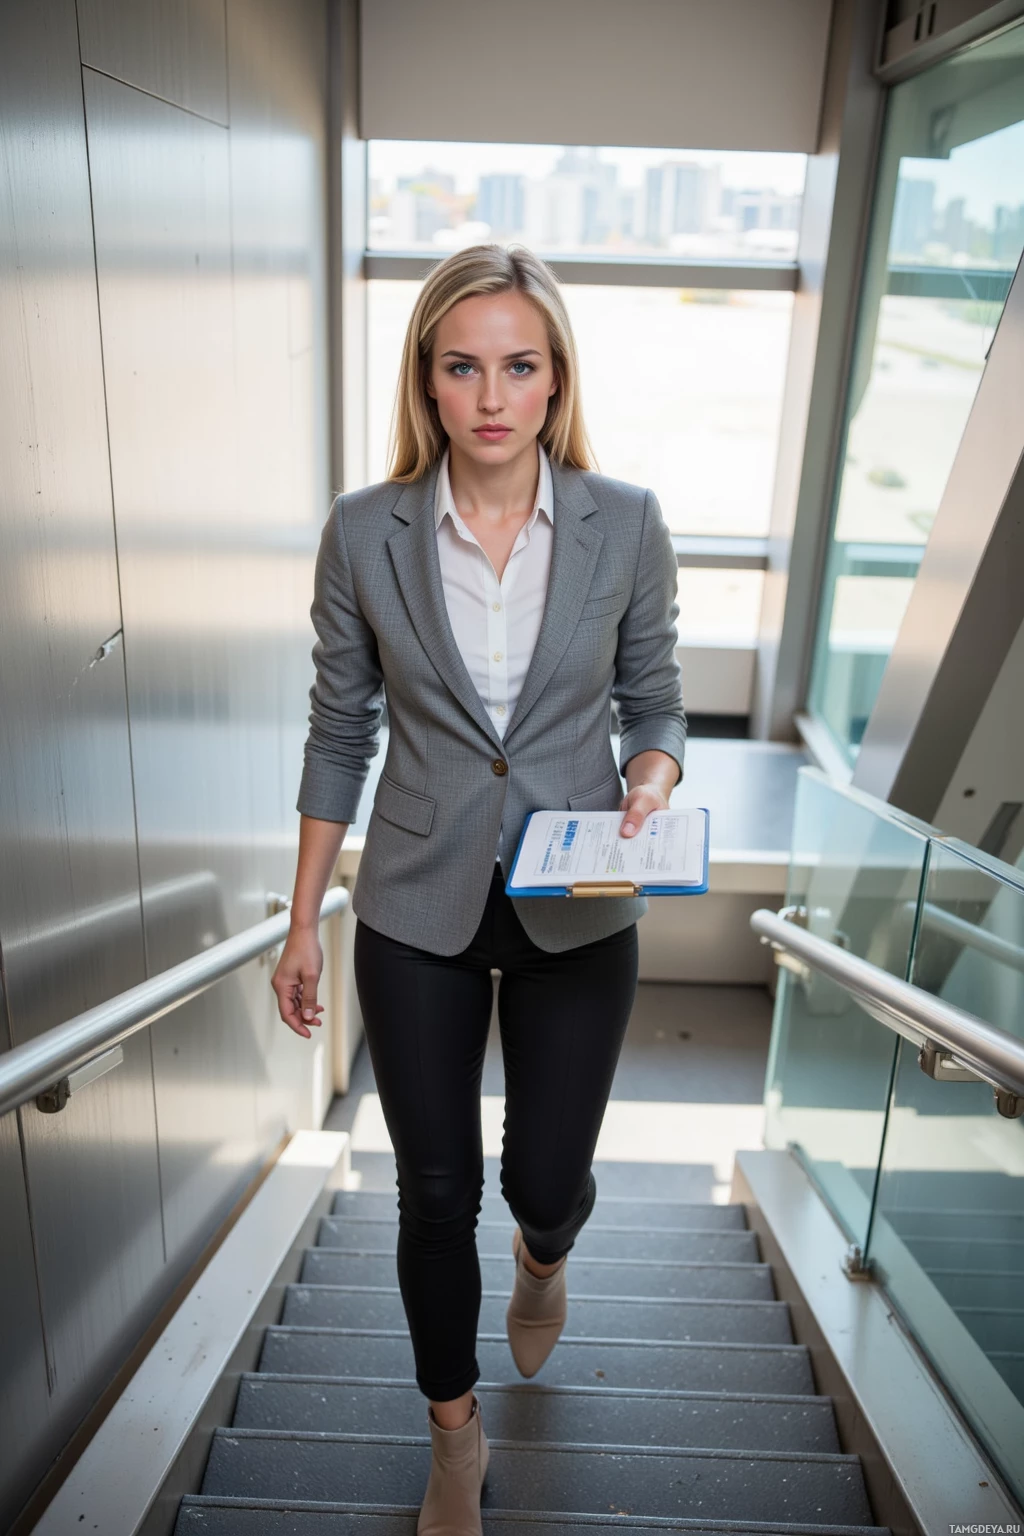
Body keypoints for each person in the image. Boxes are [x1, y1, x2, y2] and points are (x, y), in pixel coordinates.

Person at [272, 243, 686, 1534]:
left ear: (556, 381)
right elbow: (340, 729)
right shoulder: (364, 530)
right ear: (430, 383)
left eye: (520, 365)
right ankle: (454, 1436)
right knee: (432, 1187)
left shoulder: (626, 519)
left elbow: (653, 696)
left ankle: (548, 1250)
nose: (492, 395)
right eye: (464, 367)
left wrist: (654, 776)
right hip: (415, 901)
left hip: (578, 898)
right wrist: (302, 920)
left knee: (538, 1180)